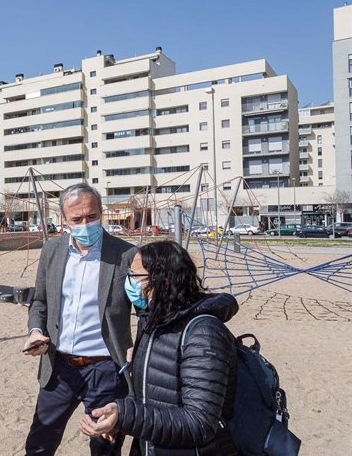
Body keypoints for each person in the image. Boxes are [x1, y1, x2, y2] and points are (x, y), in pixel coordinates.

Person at [78, 240, 239, 455]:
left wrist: (127, 416)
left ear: (161, 281)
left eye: (135, 276)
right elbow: (151, 394)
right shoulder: (153, 323)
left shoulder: (204, 334)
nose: (129, 283)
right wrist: (119, 416)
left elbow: (200, 423)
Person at [23, 183, 137, 456]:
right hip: (58, 367)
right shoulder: (52, 250)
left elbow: (146, 308)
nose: (85, 224)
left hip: (106, 370)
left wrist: (140, 344)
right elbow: (40, 300)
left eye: (92, 216)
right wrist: (35, 330)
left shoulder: (126, 255)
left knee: (105, 447)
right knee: (39, 444)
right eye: (77, 219)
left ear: (101, 213)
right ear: (64, 220)